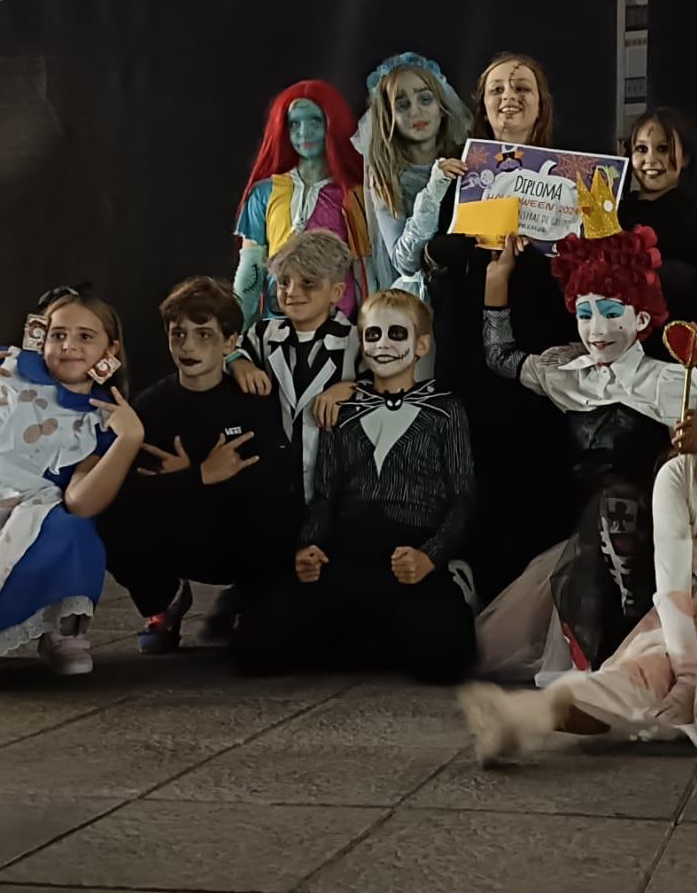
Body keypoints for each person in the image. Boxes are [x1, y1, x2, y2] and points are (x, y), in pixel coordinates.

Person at [457, 353, 697, 790]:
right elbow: (672, 582)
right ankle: (526, 717)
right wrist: (687, 675)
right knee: (639, 674)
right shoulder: (678, 474)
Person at [472, 227, 696, 678]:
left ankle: (640, 632)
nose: (597, 329)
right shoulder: (568, 374)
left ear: (640, 319)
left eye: (611, 313)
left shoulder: (670, 382)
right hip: (587, 535)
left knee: (621, 503)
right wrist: (498, 279)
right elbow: (500, 356)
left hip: (657, 532)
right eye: (585, 313)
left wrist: (694, 442)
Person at [234, 289, 479, 684]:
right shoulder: (342, 411)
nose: (383, 345)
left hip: (410, 551)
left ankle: (408, 613)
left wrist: (430, 556)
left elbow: (462, 498)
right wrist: (309, 546)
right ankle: (373, 637)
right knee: (252, 648)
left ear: (421, 345)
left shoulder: (444, 410)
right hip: (348, 550)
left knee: (447, 657)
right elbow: (325, 495)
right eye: (372, 335)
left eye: (396, 334)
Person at [0, 288, 144, 688]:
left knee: (73, 534)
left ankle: (62, 632)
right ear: (40, 336)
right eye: (58, 334)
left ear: (111, 349)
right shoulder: (7, 372)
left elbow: (81, 502)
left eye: (85, 336)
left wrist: (128, 440)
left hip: (33, 511)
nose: (69, 345)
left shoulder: (102, 416)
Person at [423, 53, 577, 599]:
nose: (509, 97)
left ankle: (536, 603)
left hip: (540, 345)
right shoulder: (459, 175)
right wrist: (446, 247)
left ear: (541, 104)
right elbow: (430, 259)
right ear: (483, 106)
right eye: (497, 89)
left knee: (536, 467)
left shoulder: (573, 177)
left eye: (522, 88)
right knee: (474, 469)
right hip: (470, 351)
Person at [94, 276, 302, 654]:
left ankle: (252, 600)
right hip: (180, 536)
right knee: (107, 514)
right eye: (178, 334)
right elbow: (125, 495)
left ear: (230, 342)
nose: (188, 346)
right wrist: (199, 476)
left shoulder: (253, 401)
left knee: (261, 642)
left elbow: (278, 486)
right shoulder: (149, 407)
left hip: (240, 540)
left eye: (204, 334)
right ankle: (164, 601)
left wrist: (213, 480)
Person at [228, 231, 360, 503]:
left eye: (308, 283)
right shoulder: (263, 334)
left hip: (336, 487)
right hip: (273, 485)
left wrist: (350, 388)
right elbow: (225, 352)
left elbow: (385, 388)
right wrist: (238, 363)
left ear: (336, 292)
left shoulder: (356, 341)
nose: (292, 292)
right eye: (284, 282)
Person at [234, 80, 372, 325]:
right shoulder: (264, 193)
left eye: (315, 121)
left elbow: (366, 273)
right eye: (294, 124)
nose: (304, 132)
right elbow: (250, 270)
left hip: (338, 327)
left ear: (332, 124)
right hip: (277, 325)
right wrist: (238, 331)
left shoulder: (355, 195)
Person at [358, 52, 473, 298]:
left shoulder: (467, 158)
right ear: (389, 116)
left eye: (425, 99)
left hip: (467, 288)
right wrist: (433, 192)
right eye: (402, 105)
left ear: (441, 107)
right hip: (420, 301)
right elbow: (405, 262)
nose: (415, 112)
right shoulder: (386, 175)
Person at [619, 107, 697, 336]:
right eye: (641, 149)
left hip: (673, 337)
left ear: (685, 157)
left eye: (663, 149)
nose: (650, 159)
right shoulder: (615, 212)